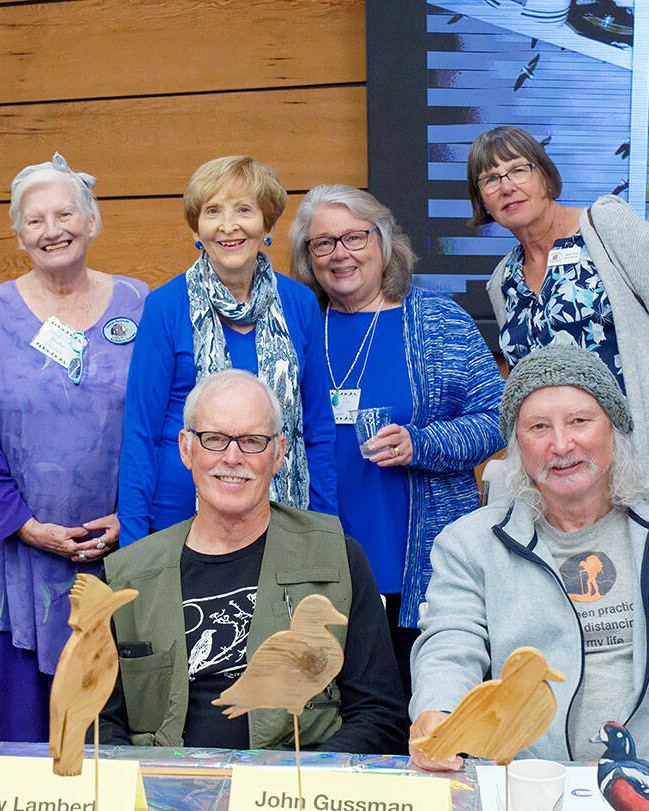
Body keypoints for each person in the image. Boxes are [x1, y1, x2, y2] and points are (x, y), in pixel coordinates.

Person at [409, 346, 649, 774]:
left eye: (580, 421)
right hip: (527, 786)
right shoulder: (469, 543)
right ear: (517, 446)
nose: (561, 444)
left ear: (614, 430)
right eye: (538, 427)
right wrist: (438, 711)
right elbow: (450, 645)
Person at [100, 370, 406, 753]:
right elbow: (99, 721)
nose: (232, 457)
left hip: (294, 798)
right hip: (166, 792)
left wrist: (297, 786)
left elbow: (381, 713)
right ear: (186, 448)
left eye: (252, 441)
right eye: (214, 439)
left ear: (278, 453)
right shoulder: (127, 577)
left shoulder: (338, 559)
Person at [0, 153, 148, 742]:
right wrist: (24, 525)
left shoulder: (141, 303)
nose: (52, 229)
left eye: (65, 214)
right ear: (18, 232)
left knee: (117, 714)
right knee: (24, 729)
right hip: (20, 549)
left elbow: (164, 421)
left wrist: (132, 518)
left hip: (121, 545)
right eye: (35, 220)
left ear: (92, 221)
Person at [288, 185, 504, 695]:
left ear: (382, 240)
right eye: (322, 244)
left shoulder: (437, 320)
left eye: (354, 237)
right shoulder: (296, 327)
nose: (340, 254)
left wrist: (421, 444)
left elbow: (499, 416)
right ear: (308, 258)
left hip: (419, 574)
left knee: (417, 718)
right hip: (315, 570)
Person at [468, 125, 649, 500]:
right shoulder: (502, 280)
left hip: (643, 467)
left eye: (519, 170)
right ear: (482, 201)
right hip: (560, 482)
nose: (506, 186)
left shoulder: (606, 226)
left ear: (545, 176)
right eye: (490, 180)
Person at [118, 156, 337, 546]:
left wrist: (322, 531)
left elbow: (317, 430)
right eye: (213, 211)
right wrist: (133, 547)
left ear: (266, 224)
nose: (228, 225)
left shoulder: (301, 304)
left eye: (243, 210)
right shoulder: (166, 306)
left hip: (284, 522)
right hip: (180, 521)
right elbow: (140, 432)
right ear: (196, 228)